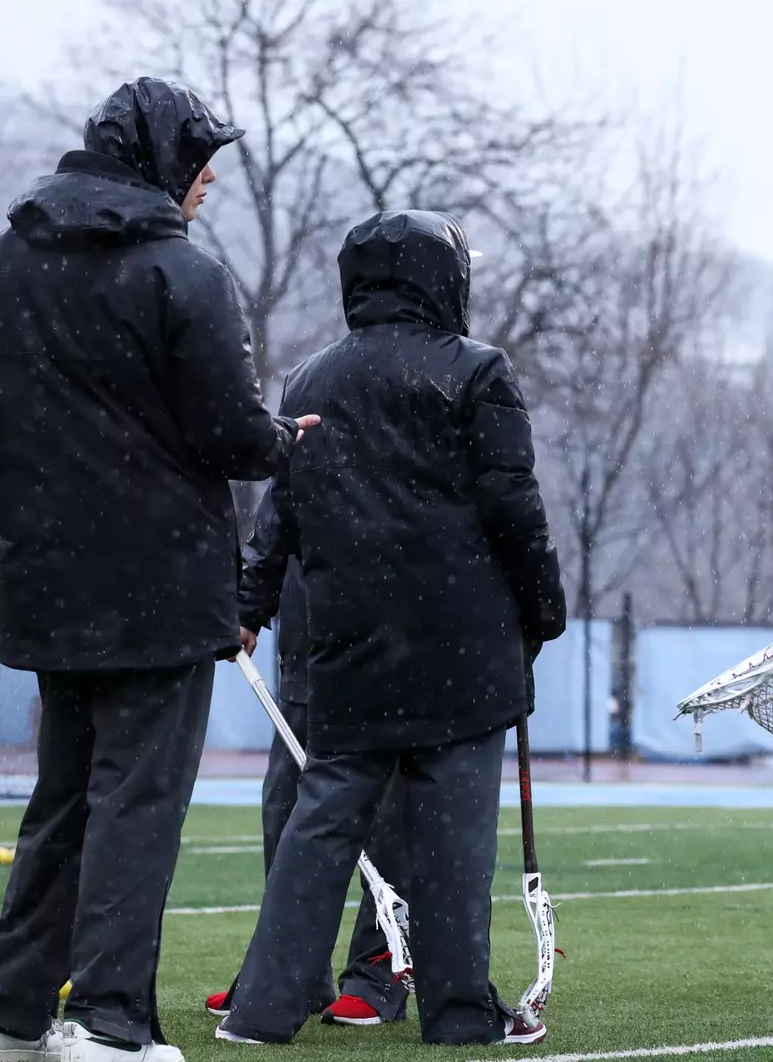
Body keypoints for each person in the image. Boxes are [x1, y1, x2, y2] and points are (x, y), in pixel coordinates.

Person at [0, 77, 319, 1062]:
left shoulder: (14, 261)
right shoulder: (182, 273)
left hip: (46, 577)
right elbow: (230, 434)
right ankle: (110, 1021)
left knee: (60, 803)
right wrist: (282, 439)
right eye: (200, 156)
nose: (209, 175)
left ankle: (15, 1013)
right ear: (160, 160)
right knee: (137, 804)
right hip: (158, 582)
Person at [215, 210, 566, 1048]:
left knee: (321, 825)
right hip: (460, 643)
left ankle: (263, 1010)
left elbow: (282, 512)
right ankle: (458, 1012)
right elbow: (513, 505)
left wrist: (249, 603)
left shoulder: (309, 381)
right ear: (444, 279)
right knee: (451, 841)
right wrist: (542, 608)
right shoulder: (476, 370)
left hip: (347, 642)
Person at [202, 487, 411, 1028]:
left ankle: (378, 972)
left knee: (390, 811)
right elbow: (281, 505)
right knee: (286, 806)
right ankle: (288, 973)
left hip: (403, 631)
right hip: (313, 637)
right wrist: (249, 604)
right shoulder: (307, 433)